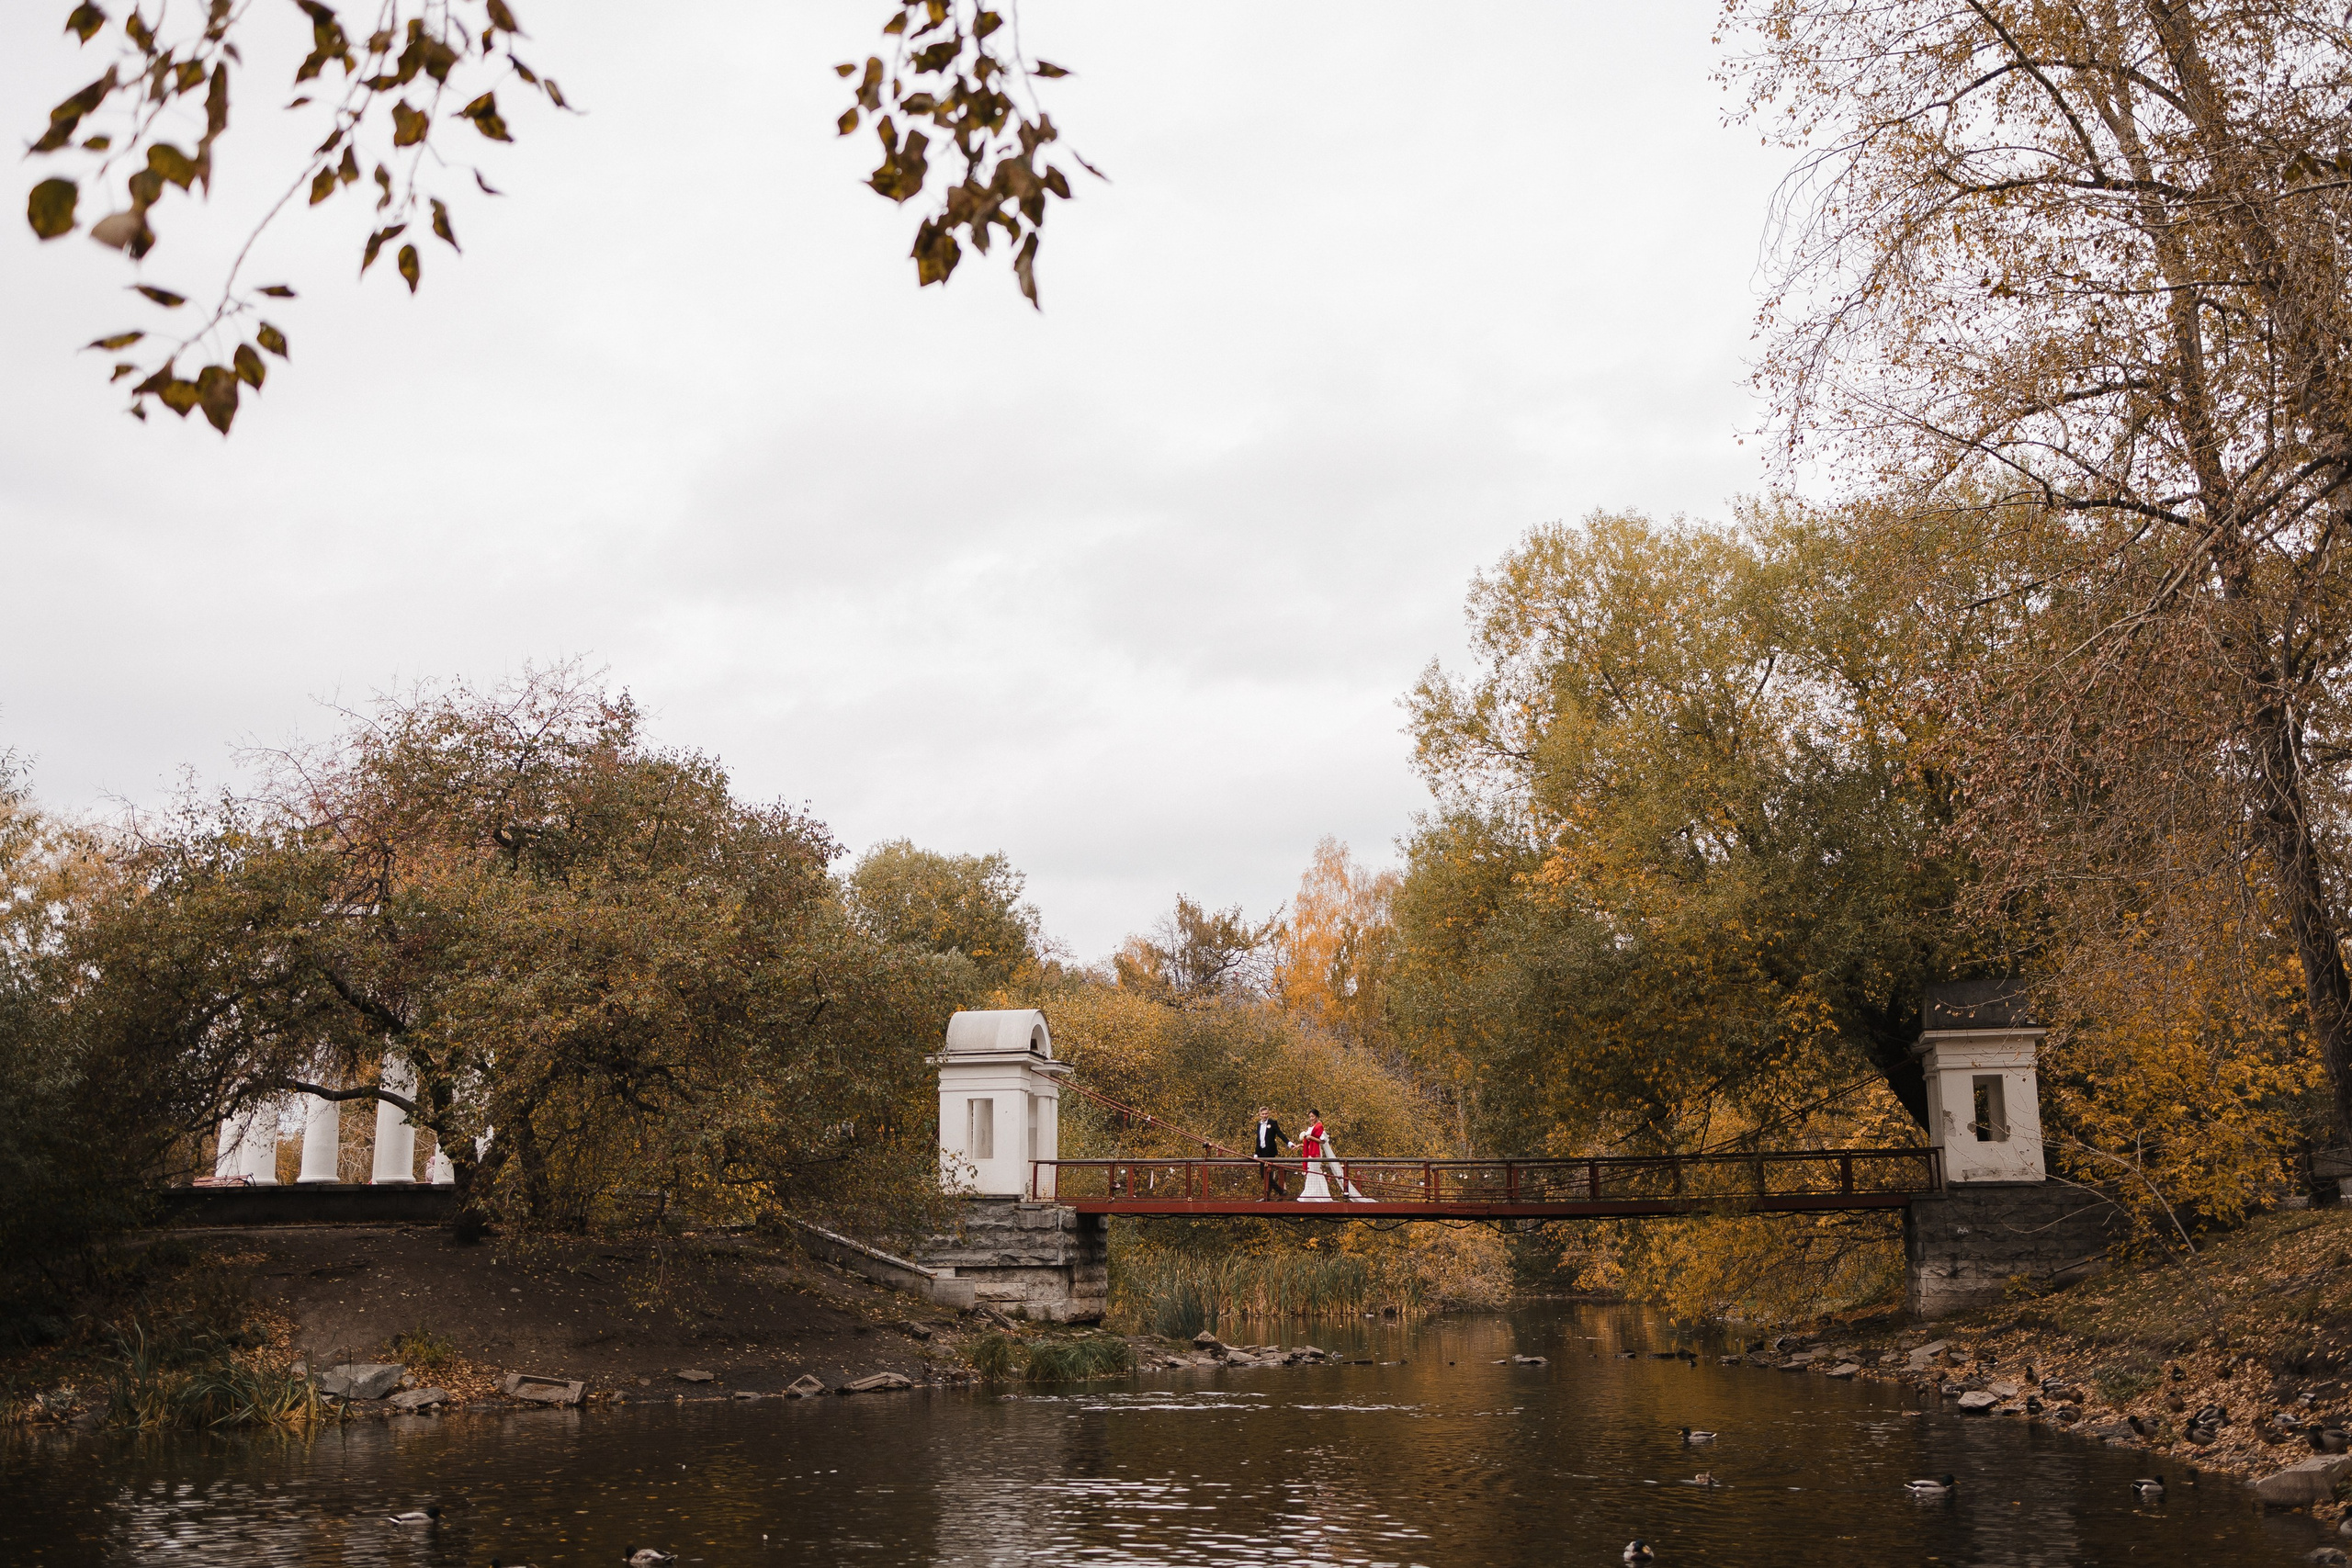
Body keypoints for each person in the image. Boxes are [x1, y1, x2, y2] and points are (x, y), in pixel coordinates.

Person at [1253, 1106, 1293, 1199]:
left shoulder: (1272, 1123)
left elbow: (1280, 1134)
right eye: (1263, 1114)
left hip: (1270, 1152)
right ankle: (1279, 1191)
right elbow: (1258, 1140)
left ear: (1268, 1114)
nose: (1265, 1116)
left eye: (1266, 1114)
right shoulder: (1259, 1125)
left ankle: (1269, 1195)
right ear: (1260, 1114)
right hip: (1261, 1152)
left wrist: (1289, 1143)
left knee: (1268, 1174)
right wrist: (1256, 1153)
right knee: (1264, 1175)